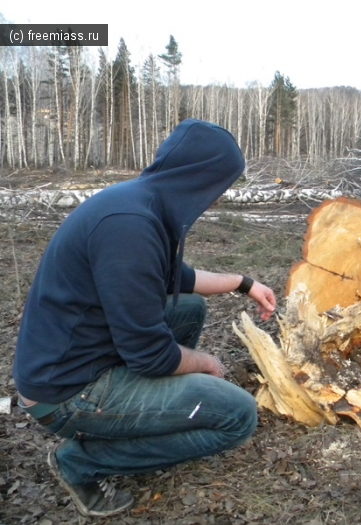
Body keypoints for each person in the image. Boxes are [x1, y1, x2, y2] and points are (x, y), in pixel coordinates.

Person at [12, 119, 277, 517]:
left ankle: (151, 409)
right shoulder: (129, 228)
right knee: (238, 416)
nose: (219, 197)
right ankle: (81, 462)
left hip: (83, 358)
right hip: (67, 393)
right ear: (198, 177)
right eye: (220, 184)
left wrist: (244, 283)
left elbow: (177, 278)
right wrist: (206, 365)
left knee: (189, 307)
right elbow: (151, 355)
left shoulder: (140, 202)